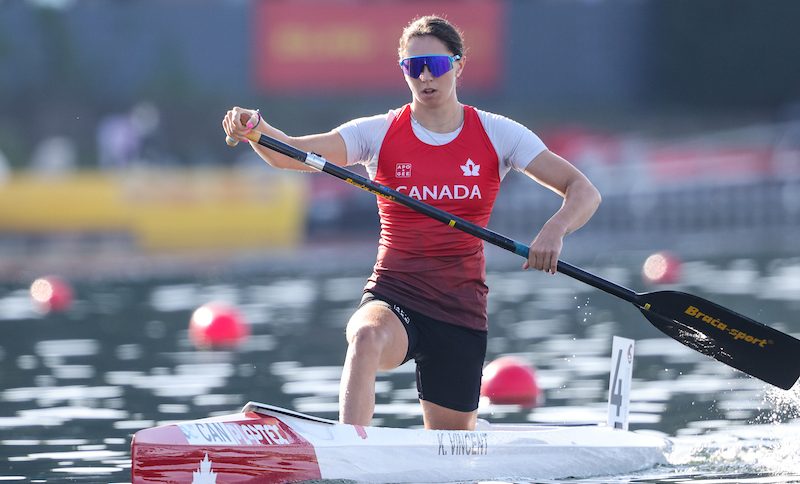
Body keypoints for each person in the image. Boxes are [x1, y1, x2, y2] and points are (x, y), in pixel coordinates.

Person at [222, 15, 601, 431]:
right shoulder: (379, 133)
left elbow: (583, 190)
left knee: (452, 454)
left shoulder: (498, 134)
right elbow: (289, 153)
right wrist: (257, 130)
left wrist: (554, 230)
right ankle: (351, 449)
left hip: (461, 310)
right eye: (412, 66)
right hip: (395, 294)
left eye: (435, 65)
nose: (424, 76)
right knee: (365, 338)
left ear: (458, 66)